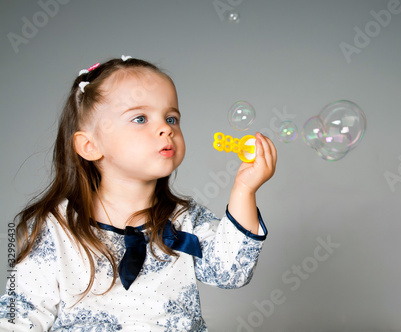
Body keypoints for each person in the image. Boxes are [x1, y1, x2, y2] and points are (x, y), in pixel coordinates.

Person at [0, 56, 277, 331]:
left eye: (171, 118)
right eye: (140, 118)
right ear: (89, 146)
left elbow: (231, 272)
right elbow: (20, 313)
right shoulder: (54, 226)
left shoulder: (184, 220)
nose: (165, 128)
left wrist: (245, 189)